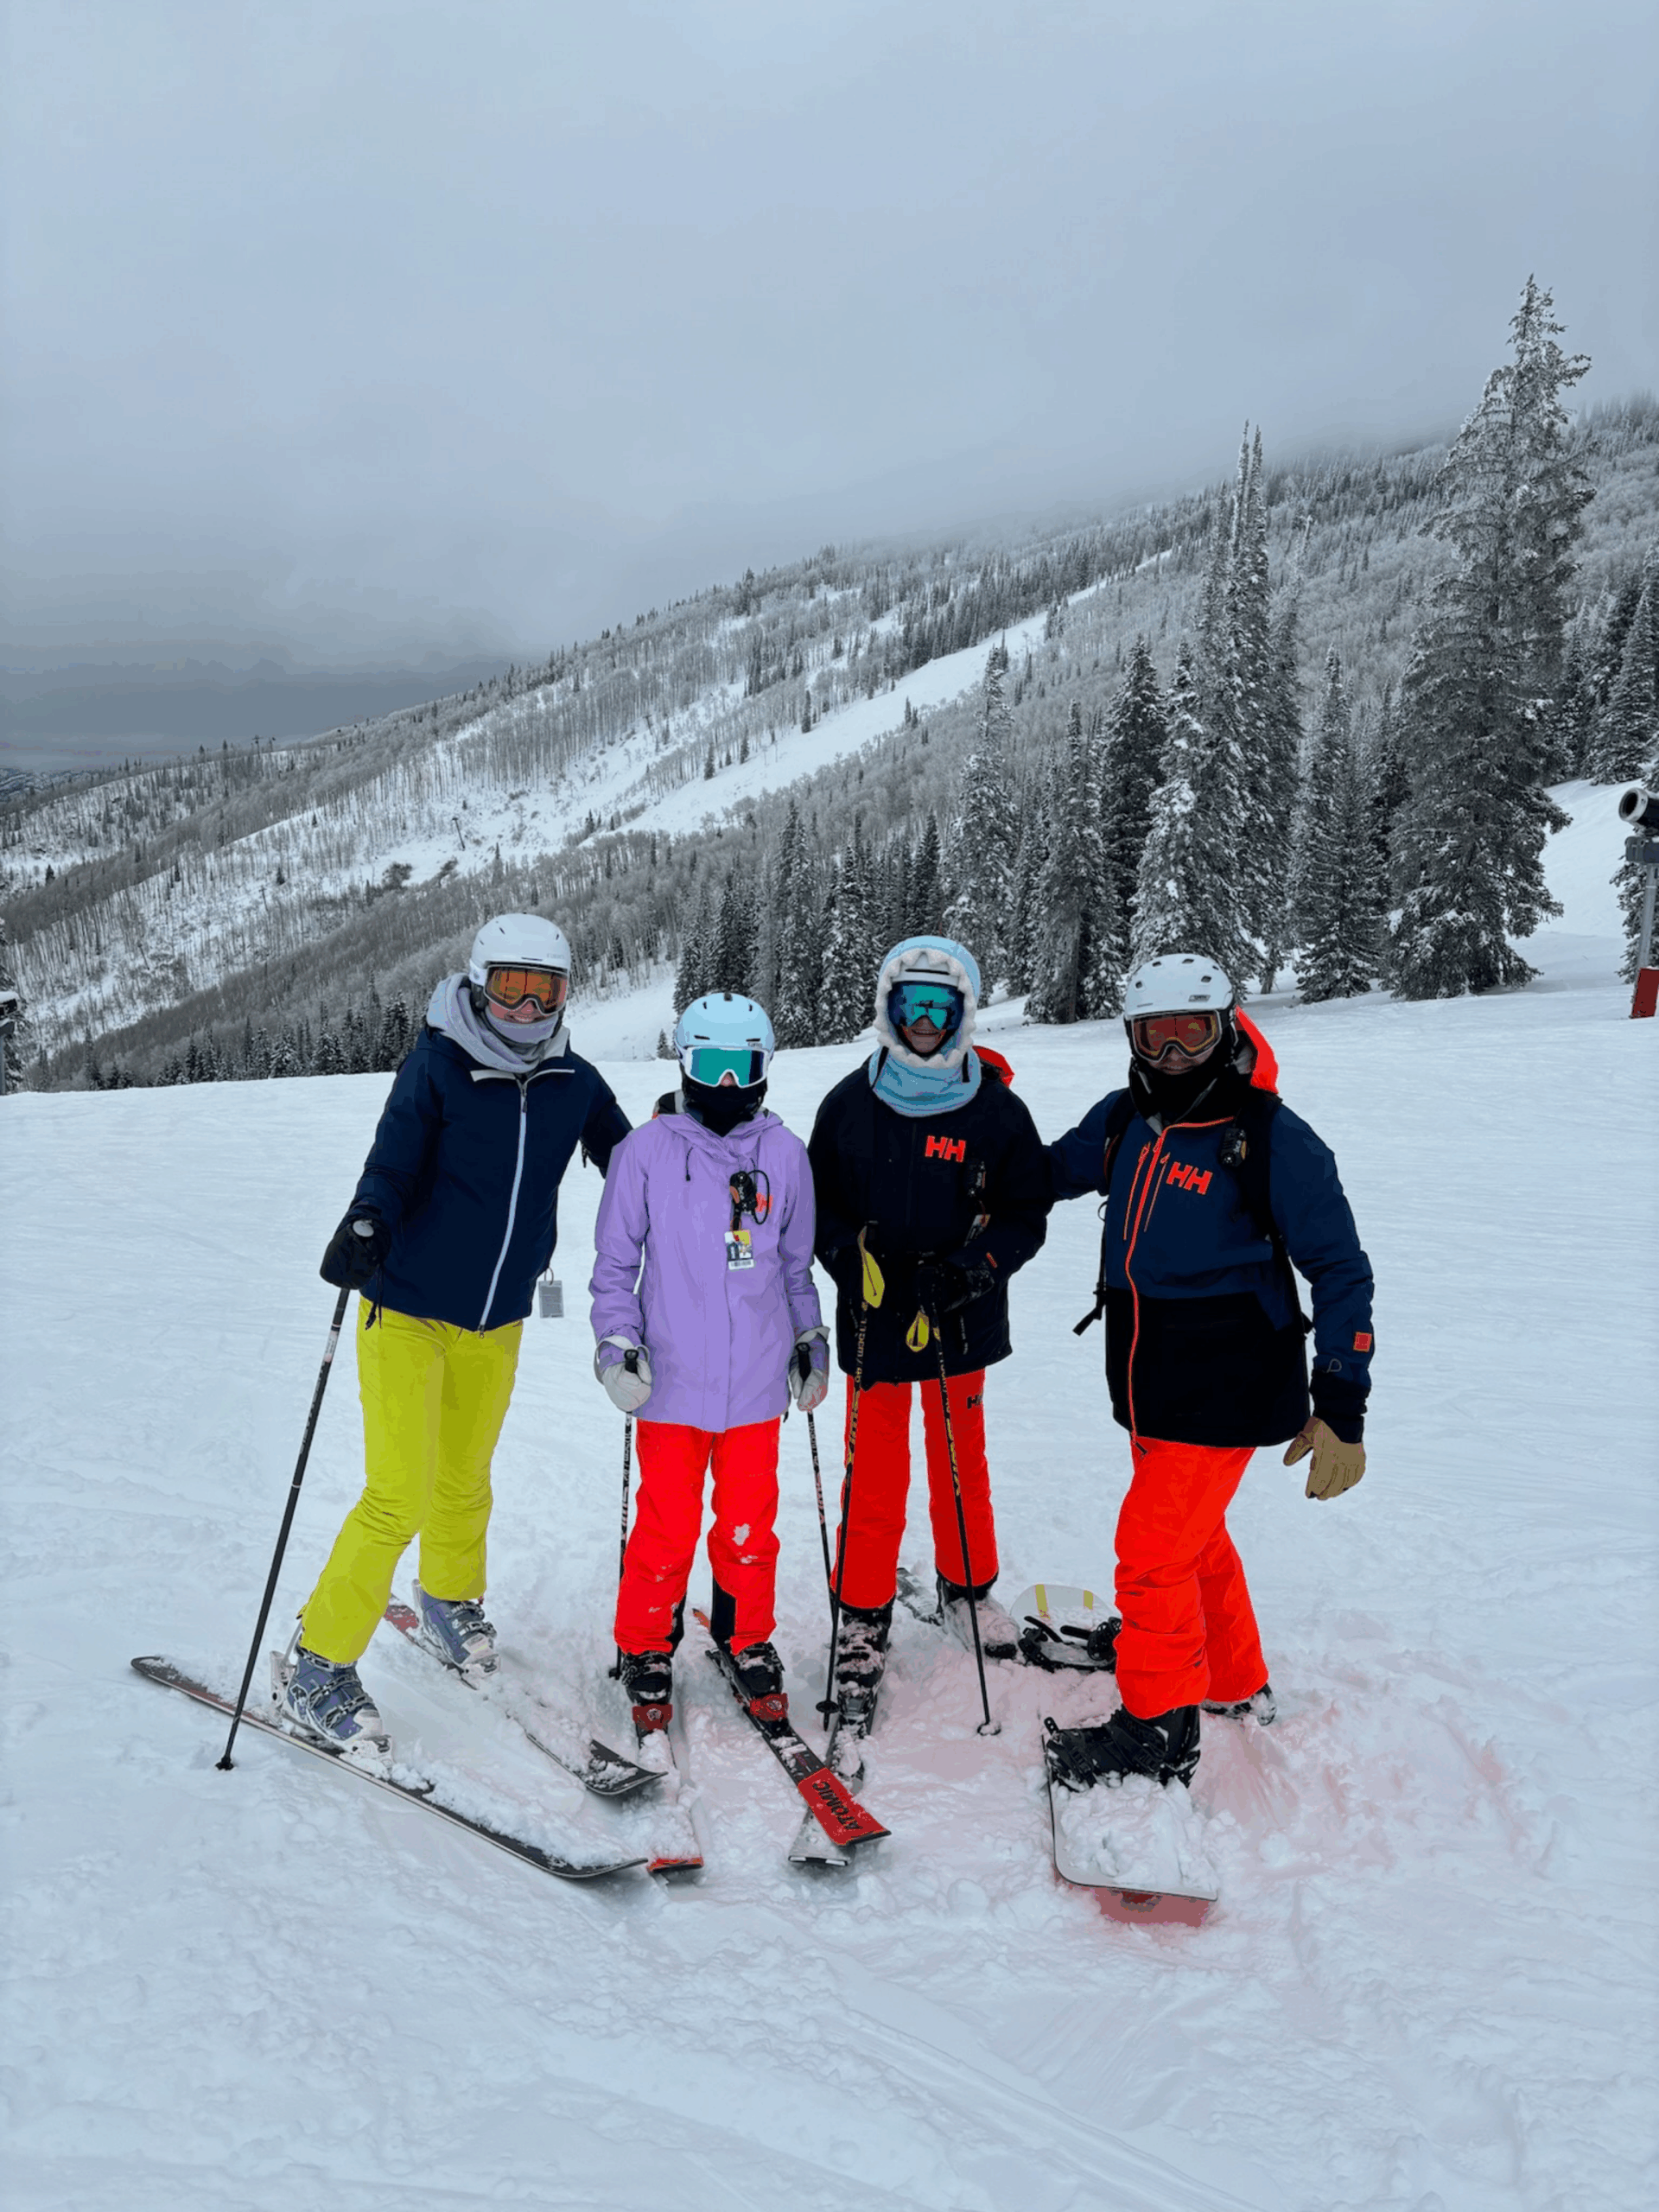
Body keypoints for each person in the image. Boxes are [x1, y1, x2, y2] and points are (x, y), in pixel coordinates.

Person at [281, 913, 630, 1755]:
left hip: (497, 1316)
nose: (523, 1004)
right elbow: (394, 1163)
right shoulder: (438, 1065)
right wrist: (367, 1219)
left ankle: (447, 1598)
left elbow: (629, 1158)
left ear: (563, 993)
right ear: (477, 982)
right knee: (396, 1490)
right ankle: (315, 1662)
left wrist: (686, 1149)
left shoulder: (573, 1080)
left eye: (542, 989)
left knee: (466, 1479)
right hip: (406, 1310)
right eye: (508, 985)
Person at [1044, 951, 1374, 1790]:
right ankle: (1229, 1676)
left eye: (1193, 1032)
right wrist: (970, 1176)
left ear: (1225, 1027)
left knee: (1151, 1554)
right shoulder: (1127, 1119)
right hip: (1150, 1380)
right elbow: (1051, 1170)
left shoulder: (1268, 1138)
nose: (1176, 1053)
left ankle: (1156, 1731)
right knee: (1196, 1542)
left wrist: (1342, 1400)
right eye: (1158, 1035)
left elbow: (1340, 1268)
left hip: (1226, 1386)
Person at [807, 935, 1051, 1753]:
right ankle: (863, 1615)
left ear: (962, 1015)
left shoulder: (995, 1109)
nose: (923, 1023)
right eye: (909, 1007)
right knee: (873, 1471)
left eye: (938, 1009)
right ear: (887, 1010)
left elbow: (1027, 1212)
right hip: (877, 1316)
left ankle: (968, 1589)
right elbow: (818, 1205)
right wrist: (847, 1255)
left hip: (959, 1315)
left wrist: (977, 1267)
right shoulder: (849, 1103)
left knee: (958, 1461)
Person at [589, 992, 826, 1740]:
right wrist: (616, 1346)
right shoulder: (646, 1151)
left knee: (751, 1524)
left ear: (763, 1071)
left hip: (755, 1386)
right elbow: (613, 1266)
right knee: (666, 1525)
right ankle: (645, 1644)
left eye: (742, 1068)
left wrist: (808, 1340)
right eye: (711, 1067)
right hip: (671, 1385)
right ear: (686, 1064)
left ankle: (745, 1634)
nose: (727, 1086)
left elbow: (795, 1266)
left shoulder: (785, 1155)